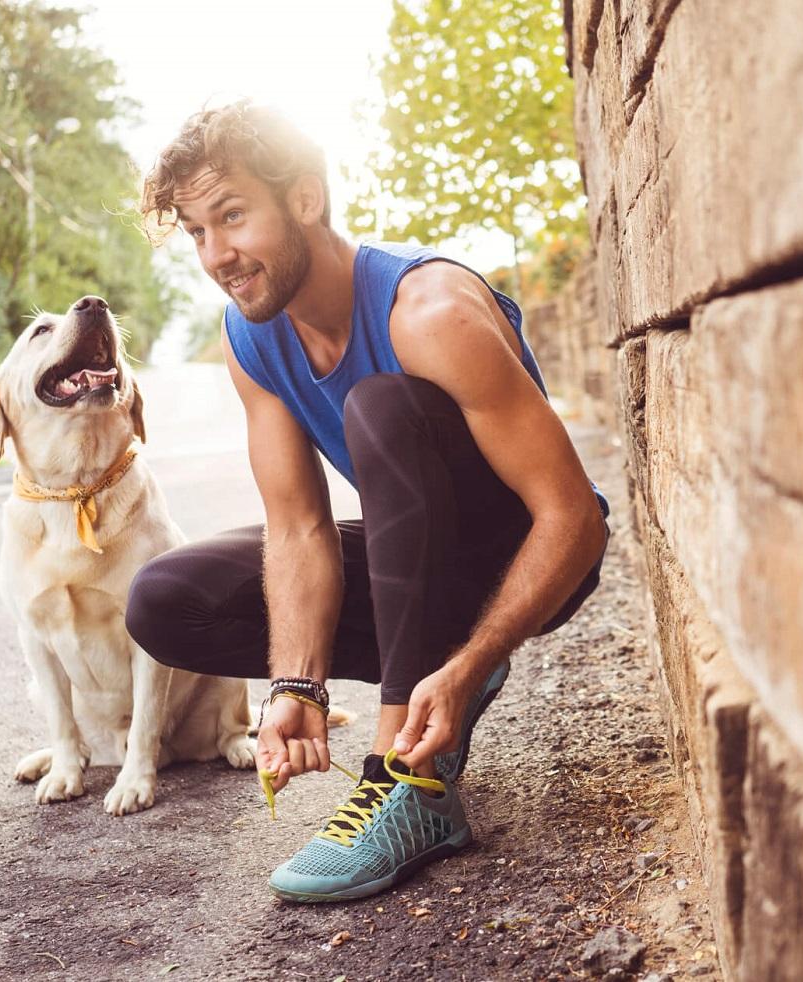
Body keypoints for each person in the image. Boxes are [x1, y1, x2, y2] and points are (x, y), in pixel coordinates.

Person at [126, 100, 609, 903]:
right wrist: (296, 686)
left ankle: (407, 783)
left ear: (305, 199)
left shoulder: (430, 310)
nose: (217, 253)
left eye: (233, 216)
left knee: (380, 408)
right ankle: (427, 676)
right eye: (197, 231)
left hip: (525, 557)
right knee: (166, 601)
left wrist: (473, 660)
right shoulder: (250, 336)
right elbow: (299, 527)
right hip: (417, 559)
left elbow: (576, 520)